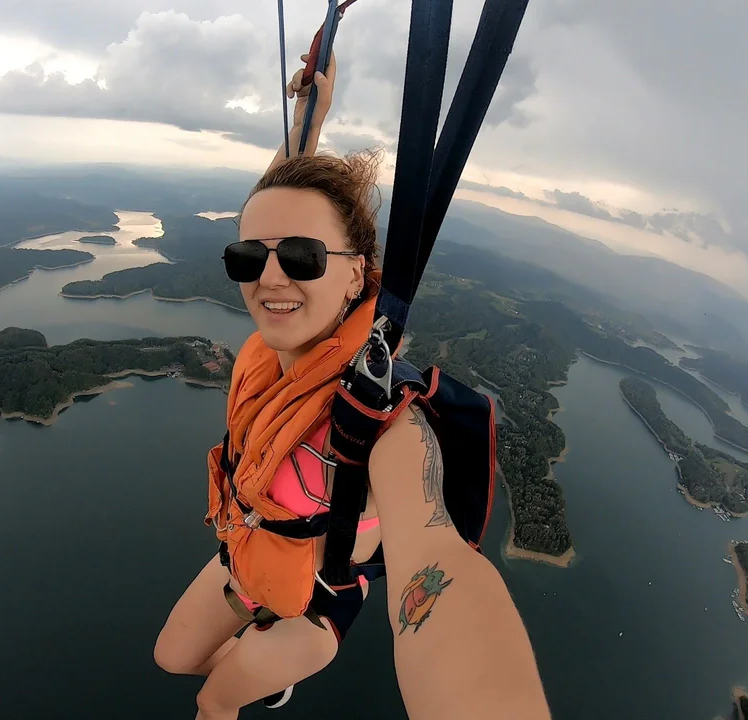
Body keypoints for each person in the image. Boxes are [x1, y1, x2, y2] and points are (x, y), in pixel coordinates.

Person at [154, 54, 551, 720]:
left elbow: (437, 560)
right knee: (173, 656)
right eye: (248, 259)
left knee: (212, 704)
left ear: (355, 275)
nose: (271, 277)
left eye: (303, 258)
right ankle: (256, 668)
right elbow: (273, 217)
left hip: (309, 604)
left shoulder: (380, 418)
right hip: (249, 556)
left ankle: (257, 681)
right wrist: (311, 116)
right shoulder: (268, 356)